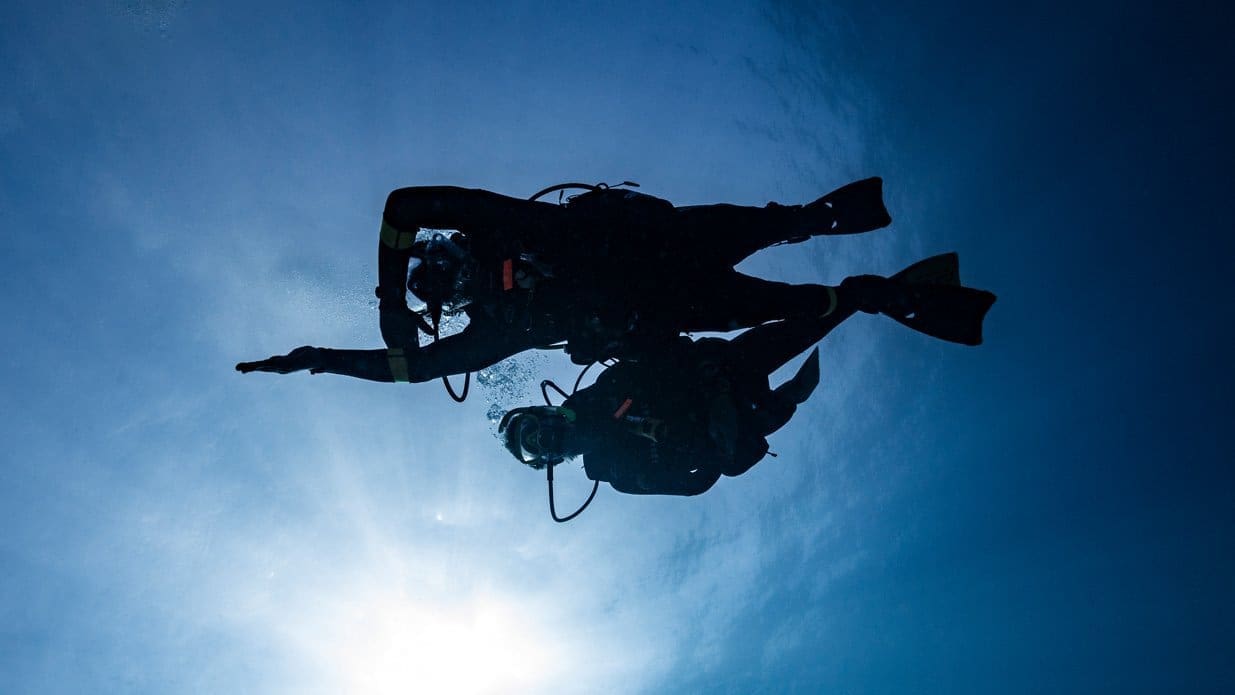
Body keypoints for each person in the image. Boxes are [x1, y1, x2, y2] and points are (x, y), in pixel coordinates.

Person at [236, 179, 892, 383]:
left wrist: (388, 299)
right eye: (433, 292)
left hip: (665, 241)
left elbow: (403, 204)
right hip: (675, 304)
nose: (440, 281)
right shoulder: (499, 329)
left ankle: (812, 220)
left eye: (430, 267)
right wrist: (322, 359)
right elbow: (413, 371)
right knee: (794, 306)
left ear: (449, 247)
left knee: (775, 224)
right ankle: (856, 295)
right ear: (453, 306)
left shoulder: (500, 227)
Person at [497, 254, 996, 496]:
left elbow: (659, 349)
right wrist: (707, 450)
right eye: (536, 448)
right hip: (737, 418)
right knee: (745, 445)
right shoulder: (615, 472)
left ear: (545, 409)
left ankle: (887, 295)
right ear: (551, 464)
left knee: (816, 320)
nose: (544, 439)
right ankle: (791, 395)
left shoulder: (601, 388)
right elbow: (693, 486)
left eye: (534, 429)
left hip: (725, 372)